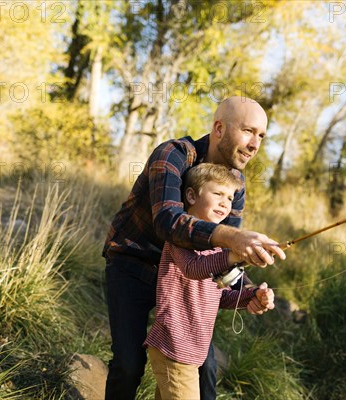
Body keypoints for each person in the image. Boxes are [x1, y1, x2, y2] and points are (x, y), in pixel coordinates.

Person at [103, 96, 286, 400]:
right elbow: (168, 222)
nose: (256, 144)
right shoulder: (172, 154)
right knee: (129, 365)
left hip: (185, 283)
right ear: (218, 128)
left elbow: (221, 260)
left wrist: (248, 293)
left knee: (206, 372)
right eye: (248, 131)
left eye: (262, 136)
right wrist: (232, 239)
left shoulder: (234, 184)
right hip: (134, 261)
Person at [144, 163, 275, 400]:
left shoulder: (216, 249)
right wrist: (234, 253)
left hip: (192, 351)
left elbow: (219, 294)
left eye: (229, 197)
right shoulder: (179, 238)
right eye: (217, 194)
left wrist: (251, 295)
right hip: (173, 346)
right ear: (192, 195)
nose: (225, 203)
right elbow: (194, 268)